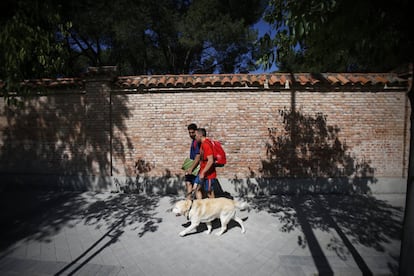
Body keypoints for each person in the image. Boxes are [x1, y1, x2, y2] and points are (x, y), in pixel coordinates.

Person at [194, 128, 217, 199]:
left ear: (200, 135)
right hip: (203, 172)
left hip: (209, 175)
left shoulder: (206, 145)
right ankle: (200, 206)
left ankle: (214, 209)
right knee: (196, 189)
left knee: (209, 193)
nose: (195, 137)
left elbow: (210, 160)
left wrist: (203, 172)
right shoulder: (202, 144)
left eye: (195, 135)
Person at [184, 123, 201, 199]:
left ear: (196, 131)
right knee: (188, 183)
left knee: (197, 188)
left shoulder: (197, 142)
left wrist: (191, 168)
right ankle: (188, 203)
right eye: (189, 133)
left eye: (192, 132)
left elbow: (198, 157)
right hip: (192, 166)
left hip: (197, 167)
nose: (191, 134)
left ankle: (199, 206)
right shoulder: (193, 141)